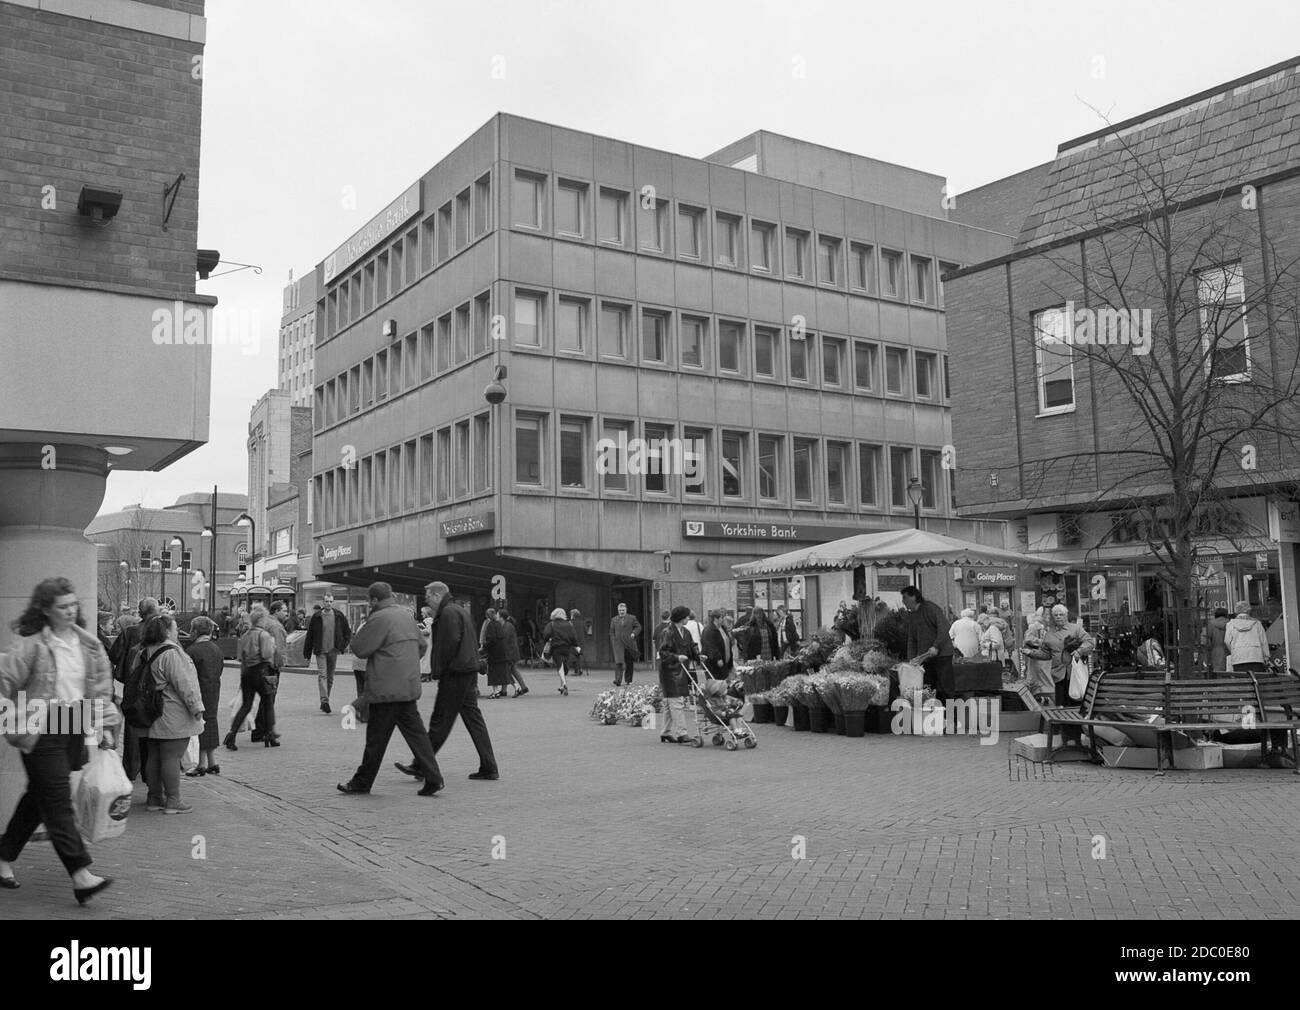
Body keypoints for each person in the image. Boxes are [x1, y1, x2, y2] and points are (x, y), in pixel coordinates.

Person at [0, 578, 118, 903]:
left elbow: (99, 690)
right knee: (57, 801)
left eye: (72, 605)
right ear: (45, 610)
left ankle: (2, 855)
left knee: (39, 798)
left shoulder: (89, 645)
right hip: (42, 727)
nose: (70, 611)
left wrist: (106, 726)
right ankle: (81, 874)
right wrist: (7, 717)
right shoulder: (30, 645)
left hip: (73, 724)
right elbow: (3, 681)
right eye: (62, 606)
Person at [336, 582, 442, 796]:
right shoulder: (406, 616)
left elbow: (360, 648)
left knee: (376, 740)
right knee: (418, 737)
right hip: (408, 687)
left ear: (374, 600)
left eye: (370, 600)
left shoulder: (379, 618)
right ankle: (434, 777)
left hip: (385, 689)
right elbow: (421, 646)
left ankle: (361, 782)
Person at [393, 581, 499, 790]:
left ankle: (421, 765)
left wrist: (440, 670)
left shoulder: (448, 613)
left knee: (440, 721)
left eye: (428, 596)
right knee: (473, 719)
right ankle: (489, 766)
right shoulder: (458, 610)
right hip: (466, 671)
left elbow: (449, 644)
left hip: (456, 673)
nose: (426, 600)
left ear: (436, 595)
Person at [137, 613, 204, 814]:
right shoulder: (171, 654)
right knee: (171, 757)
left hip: (150, 713)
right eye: (175, 629)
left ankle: (154, 797)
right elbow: (185, 684)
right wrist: (196, 707)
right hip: (172, 712)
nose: (177, 633)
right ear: (167, 631)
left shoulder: (143, 652)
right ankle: (173, 799)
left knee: (154, 756)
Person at [226, 607, 280, 750]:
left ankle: (232, 734)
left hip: (247, 672)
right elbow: (267, 654)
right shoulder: (264, 635)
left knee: (246, 705)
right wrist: (273, 647)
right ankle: (270, 734)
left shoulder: (245, 635)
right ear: (261, 619)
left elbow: (240, 657)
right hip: (261, 671)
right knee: (268, 702)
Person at [184, 616, 223, 777]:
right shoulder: (216, 649)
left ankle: (201, 764)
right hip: (214, 688)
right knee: (211, 721)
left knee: (200, 724)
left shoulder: (192, 651)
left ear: (195, 631)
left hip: (199, 690)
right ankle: (212, 761)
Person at [901, 586, 955, 696]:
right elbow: (911, 639)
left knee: (946, 687)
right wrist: (911, 659)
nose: (903, 601)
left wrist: (936, 646)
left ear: (914, 597)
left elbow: (944, 627)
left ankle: (950, 713)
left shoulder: (931, 608)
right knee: (928, 688)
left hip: (943, 655)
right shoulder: (912, 615)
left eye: (905, 598)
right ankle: (932, 712)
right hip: (926, 657)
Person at [304, 593, 352, 715]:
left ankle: (325, 700)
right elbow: (310, 636)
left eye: (330, 601)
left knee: (330, 678)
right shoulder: (317, 617)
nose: (328, 604)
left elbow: (347, 633)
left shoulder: (339, 615)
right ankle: (324, 700)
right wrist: (307, 653)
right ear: (323, 602)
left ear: (333, 602)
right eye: (326, 601)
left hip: (333, 651)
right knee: (322, 675)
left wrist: (341, 647)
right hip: (320, 651)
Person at [657, 606, 700, 744]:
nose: (688, 618)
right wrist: (676, 657)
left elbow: (692, 647)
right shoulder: (667, 632)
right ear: (681, 618)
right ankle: (682, 733)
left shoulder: (686, 631)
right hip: (669, 670)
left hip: (680, 669)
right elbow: (663, 652)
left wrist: (699, 656)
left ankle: (665, 732)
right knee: (676, 701)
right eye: (686, 616)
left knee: (671, 703)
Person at [1039, 604, 1095, 707]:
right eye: (1056, 615)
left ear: (1066, 615)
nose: (1058, 617)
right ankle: (1062, 722)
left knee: (1075, 701)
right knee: (1060, 704)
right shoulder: (1049, 633)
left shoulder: (1075, 629)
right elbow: (1046, 654)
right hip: (1058, 673)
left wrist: (1079, 651)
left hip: (1074, 671)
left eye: (1061, 614)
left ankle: (1076, 722)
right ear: (1053, 617)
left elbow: (1090, 642)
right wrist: (1031, 653)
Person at [251, 603, 287, 741]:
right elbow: (278, 650)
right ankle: (261, 731)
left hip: (259, 665)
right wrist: (278, 665)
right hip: (271, 667)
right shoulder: (276, 627)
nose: (287, 613)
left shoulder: (266, 623)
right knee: (268, 700)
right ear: (276, 611)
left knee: (265, 700)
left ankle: (263, 730)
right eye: (284, 610)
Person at [542, 607, 579, 696]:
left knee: (559, 665)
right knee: (563, 665)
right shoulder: (569, 624)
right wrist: (576, 645)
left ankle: (564, 683)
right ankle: (562, 685)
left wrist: (548, 639)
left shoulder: (551, 624)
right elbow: (573, 636)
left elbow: (545, 635)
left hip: (556, 647)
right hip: (567, 648)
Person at [1225, 601, 1270, 671]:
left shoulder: (1230, 624)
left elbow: (1227, 641)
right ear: (1249, 610)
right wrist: (1266, 657)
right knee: (1257, 679)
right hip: (1256, 656)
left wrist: (1234, 650)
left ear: (1236, 611)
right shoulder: (1257, 624)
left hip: (1238, 658)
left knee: (1242, 680)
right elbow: (1263, 641)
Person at [483, 612, 515, 699]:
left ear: (488, 617)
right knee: (504, 673)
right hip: (502, 652)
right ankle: (517, 688)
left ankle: (495, 691)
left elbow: (491, 639)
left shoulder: (490, 625)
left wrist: (484, 647)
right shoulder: (499, 624)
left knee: (493, 672)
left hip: (494, 653)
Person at [609, 602, 641, 687]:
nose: (621, 612)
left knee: (629, 662)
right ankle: (618, 680)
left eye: (623, 610)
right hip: (618, 644)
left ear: (626, 610)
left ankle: (628, 680)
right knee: (619, 662)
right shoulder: (614, 620)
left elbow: (638, 627)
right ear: (618, 610)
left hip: (629, 644)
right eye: (620, 610)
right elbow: (611, 631)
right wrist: (613, 639)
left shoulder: (632, 618)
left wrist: (634, 633)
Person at [699, 608, 734, 681]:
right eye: (721, 618)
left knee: (723, 684)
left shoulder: (722, 628)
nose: (723, 620)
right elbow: (710, 646)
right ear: (716, 619)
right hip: (714, 663)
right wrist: (718, 658)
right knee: (716, 684)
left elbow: (727, 642)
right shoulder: (709, 630)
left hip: (725, 662)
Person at [501, 614, 528, 697]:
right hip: (513, 651)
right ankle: (523, 687)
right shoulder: (509, 625)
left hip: (510, 652)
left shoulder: (507, 627)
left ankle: (517, 688)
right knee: (513, 670)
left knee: (506, 671)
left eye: (498, 615)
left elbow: (505, 639)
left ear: (502, 617)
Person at [349, 614, 369, 722]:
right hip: (366, 663)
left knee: (361, 689)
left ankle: (363, 714)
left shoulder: (361, 626)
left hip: (357, 662)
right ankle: (360, 710)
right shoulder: (372, 627)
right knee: (369, 690)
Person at [1204, 607, 1230, 671]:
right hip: (1230, 651)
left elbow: (1205, 641)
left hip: (1215, 652)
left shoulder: (1211, 625)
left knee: (1217, 673)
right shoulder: (1231, 624)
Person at [569, 609, 587, 675]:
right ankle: (580, 669)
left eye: (571, 614)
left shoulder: (570, 622)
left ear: (573, 615)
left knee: (575, 655)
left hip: (574, 641)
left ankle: (577, 671)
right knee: (579, 655)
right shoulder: (583, 622)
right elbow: (586, 631)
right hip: (582, 641)